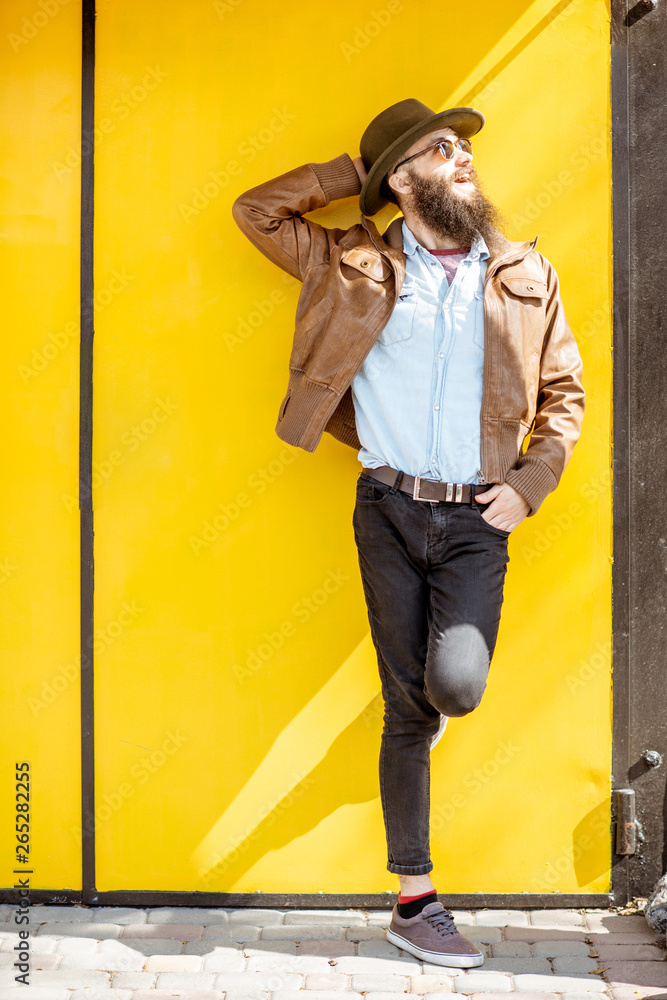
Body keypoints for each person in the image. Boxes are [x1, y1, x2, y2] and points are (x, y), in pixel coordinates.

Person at [232, 98, 584, 967]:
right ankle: (414, 897)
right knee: (405, 708)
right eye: (437, 149)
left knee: (453, 688)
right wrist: (359, 171)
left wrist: (530, 485)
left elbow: (564, 396)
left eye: (463, 147)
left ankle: (416, 734)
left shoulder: (524, 273)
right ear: (401, 175)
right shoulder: (351, 263)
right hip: (386, 508)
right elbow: (255, 211)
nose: (461, 158)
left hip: (475, 518)